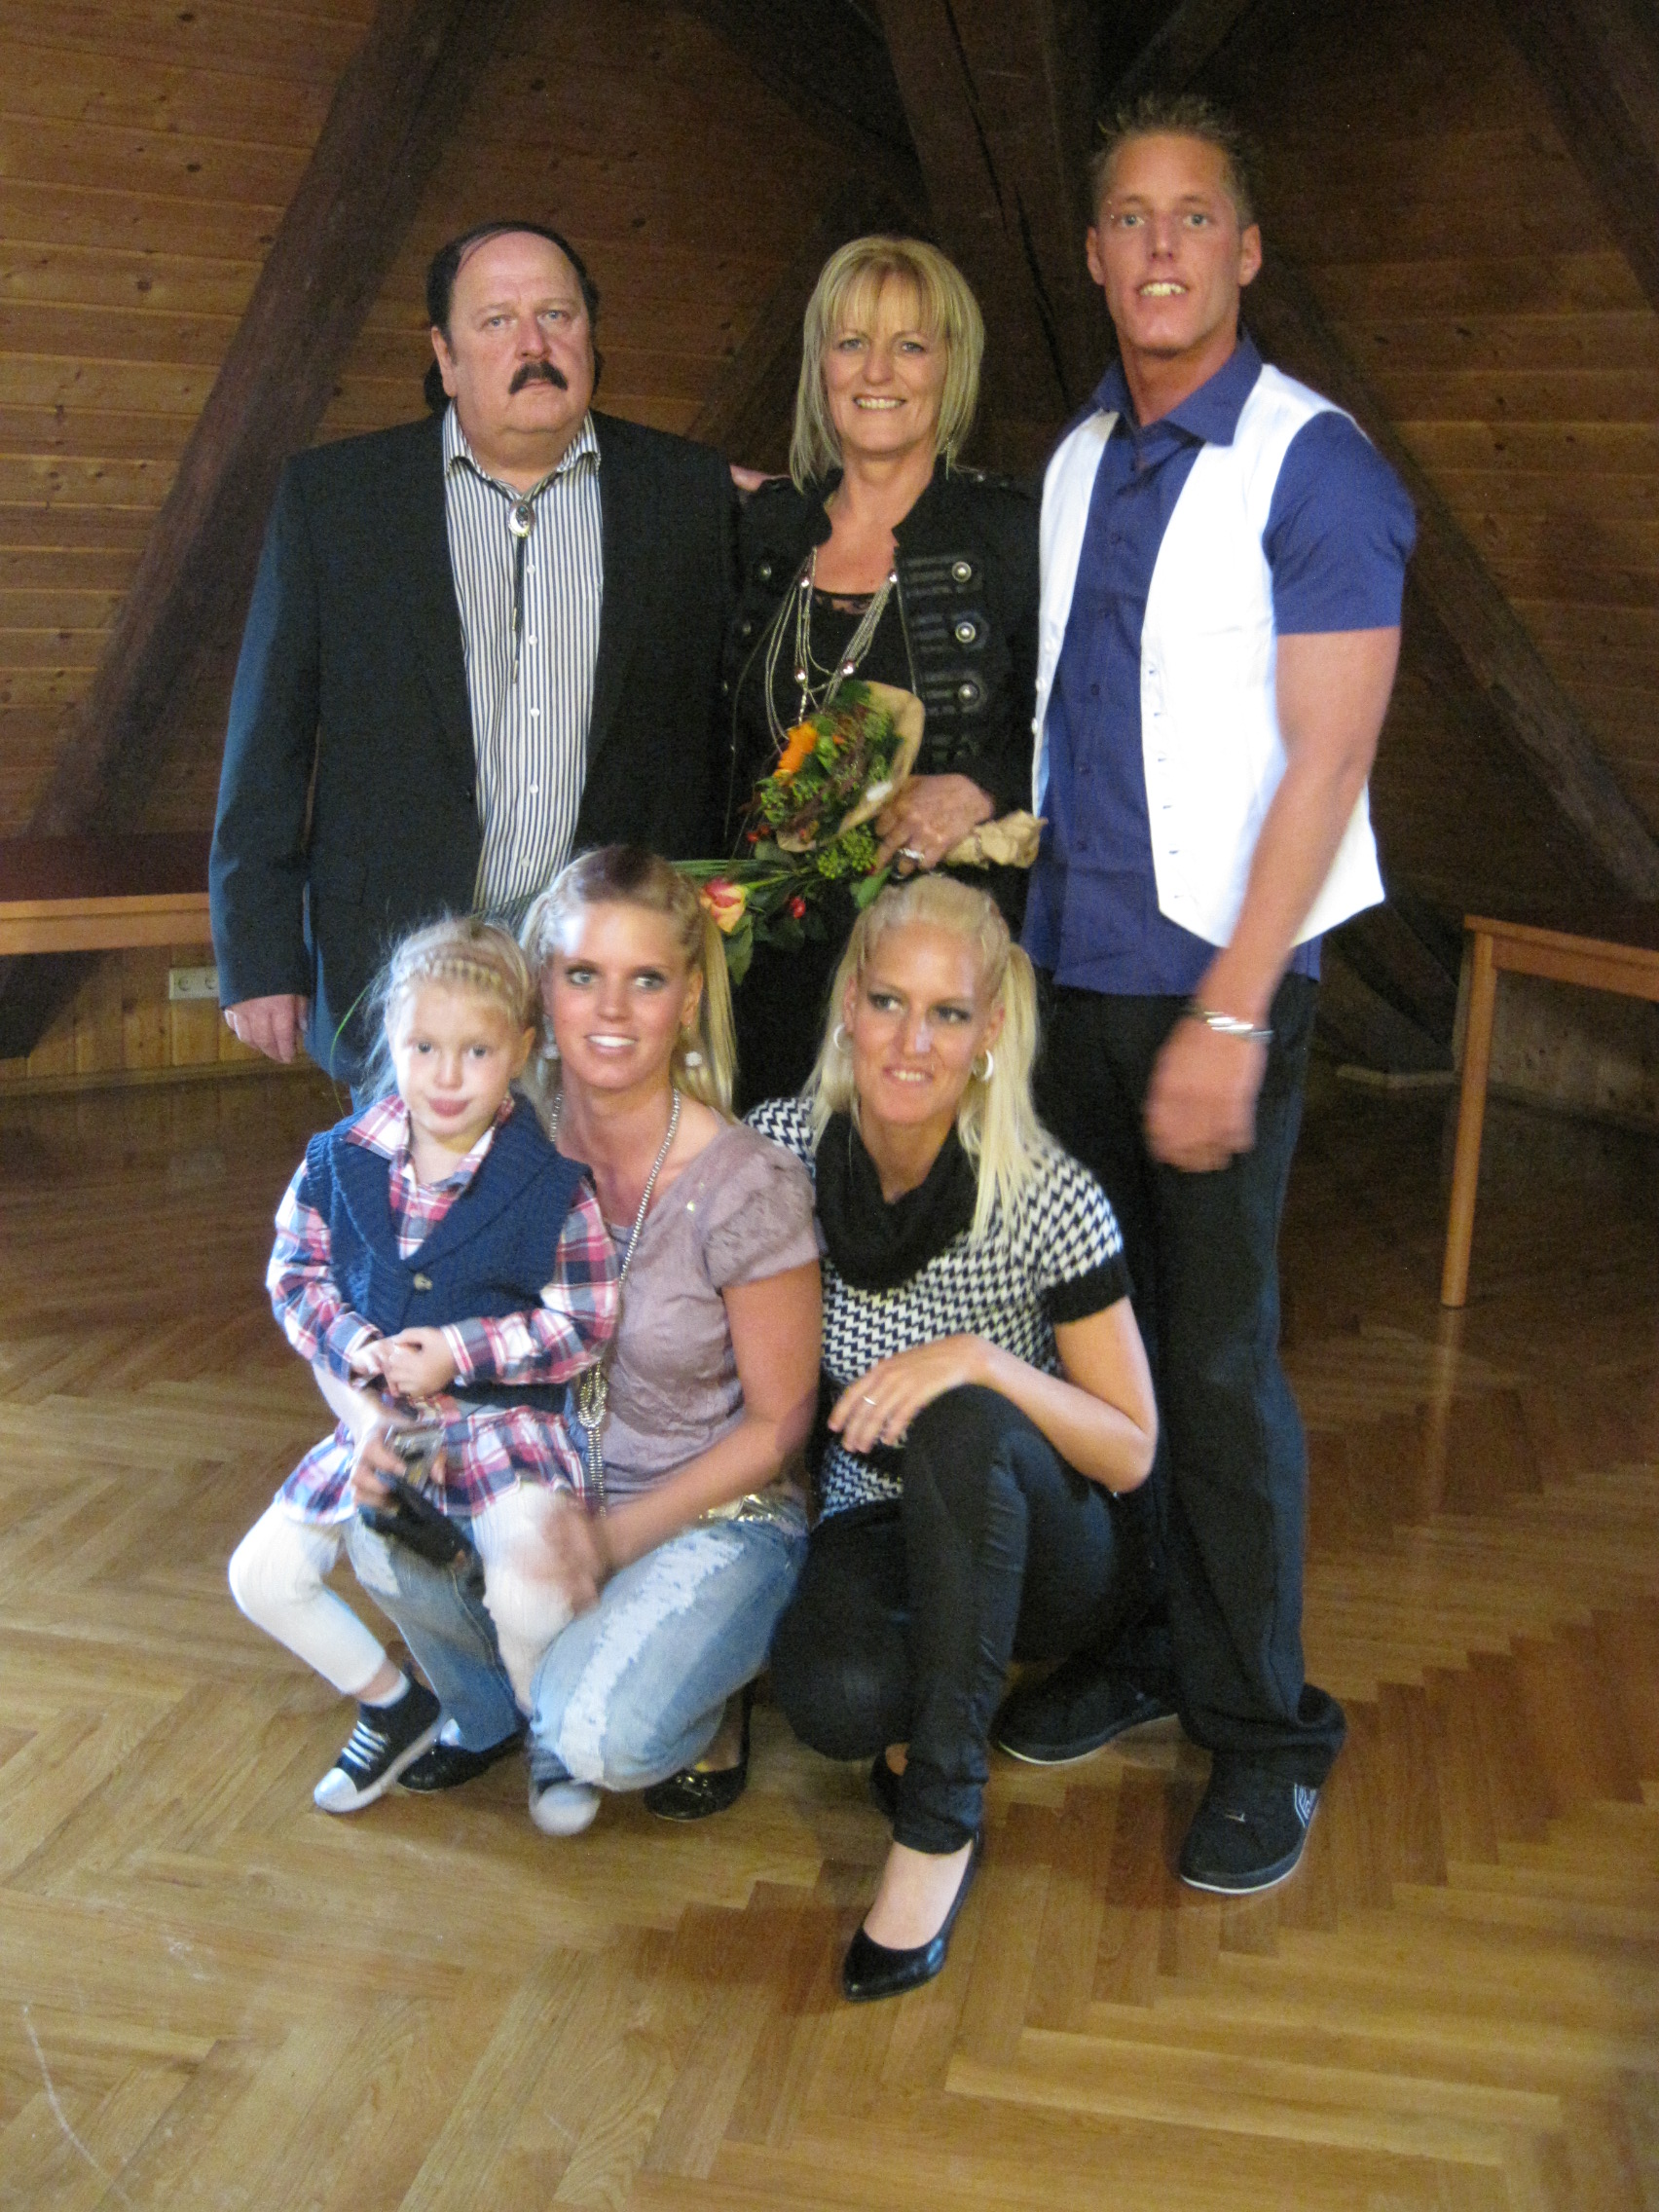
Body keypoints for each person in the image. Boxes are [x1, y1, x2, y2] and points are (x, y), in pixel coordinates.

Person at [995, 92, 1417, 1896]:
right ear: (1095, 255)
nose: (1158, 245)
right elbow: (1083, 716)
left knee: (1221, 1368)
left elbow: (1327, 763)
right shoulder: (1079, 454)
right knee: (1109, 1347)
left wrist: (1230, 1017)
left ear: (1243, 251)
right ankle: (1157, 1644)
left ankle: (1265, 1731)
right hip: (1068, 973)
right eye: (1128, 216)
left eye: (1192, 216)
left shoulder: (1317, 466)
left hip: (1215, 987)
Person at [343, 847, 822, 1835]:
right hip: (532, 1494)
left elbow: (780, 1426)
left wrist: (611, 1542)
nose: (611, 1009)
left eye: (645, 979)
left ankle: (687, 1689)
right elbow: (361, 1310)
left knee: (601, 1737)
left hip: (706, 1513)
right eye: (581, 975)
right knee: (370, 1519)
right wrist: (375, 1428)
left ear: (689, 997)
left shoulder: (747, 1181)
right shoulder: (480, 1142)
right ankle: (491, 1709)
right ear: (540, 992)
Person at [753, 876, 1159, 2002]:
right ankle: (928, 1706)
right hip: (871, 1506)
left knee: (964, 1423)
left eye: (946, 1013)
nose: (911, 1041)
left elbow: (1131, 1450)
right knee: (833, 1699)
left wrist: (981, 1359)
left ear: (989, 1030)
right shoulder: (780, 1148)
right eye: (889, 1001)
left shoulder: (1046, 1194)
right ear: (848, 1002)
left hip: (1036, 1534)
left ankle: (939, 1820)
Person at [210, 221, 738, 1082]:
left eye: (557, 315)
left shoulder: (685, 492)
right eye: (497, 321)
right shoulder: (338, 501)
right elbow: (268, 737)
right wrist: (258, 952)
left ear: (591, 337)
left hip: (612, 977)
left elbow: (728, 726)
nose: (535, 346)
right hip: (400, 969)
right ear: (445, 356)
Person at [227, 917, 618, 1812]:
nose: (447, 1076)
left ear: (521, 1048)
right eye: (424, 1047)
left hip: (506, 1427)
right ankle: (394, 1703)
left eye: (476, 1052)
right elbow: (295, 1276)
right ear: (391, 1041)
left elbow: (586, 1321)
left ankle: (548, 1723)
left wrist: (459, 1349)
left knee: (528, 1591)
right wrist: (354, 1348)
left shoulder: (550, 1185)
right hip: (390, 1428)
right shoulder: (339, 1161)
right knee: (262, 1578)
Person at [722, 235, 1039, 1107]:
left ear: (951, 366)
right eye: (852, 342)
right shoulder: (767, 531)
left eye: (910, 345)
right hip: (769, 972)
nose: (877, 372)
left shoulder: (1010, 536)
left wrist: (982, 785)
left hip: (933, 983)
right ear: (820, 364)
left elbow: (1081, 724)